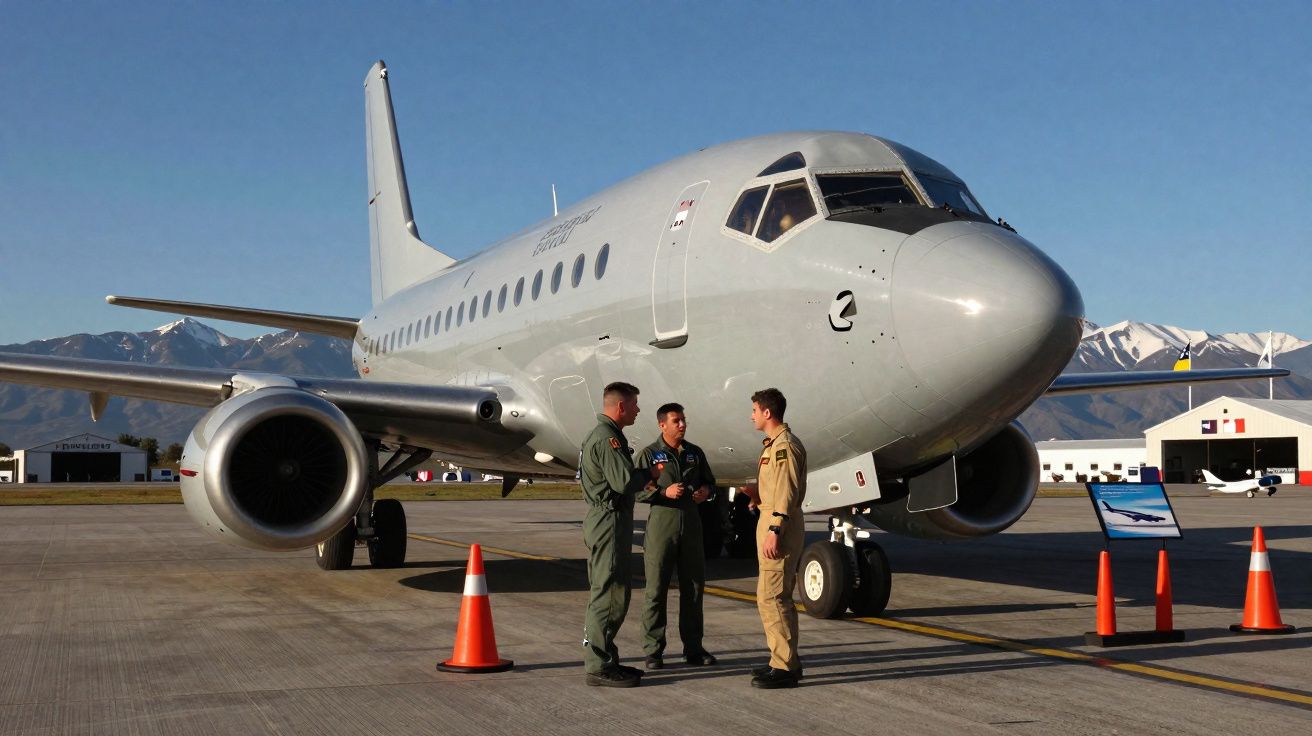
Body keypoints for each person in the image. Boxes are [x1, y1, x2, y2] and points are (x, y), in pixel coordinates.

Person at [579, 382, 667, 687]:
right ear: (620, 407)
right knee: (608, 591)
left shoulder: (609, 435)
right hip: (608, 520)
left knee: (615, 591)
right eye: (634, 404)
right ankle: (598, 665)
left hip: (610, 519)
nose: (638, 410)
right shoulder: (607, 439)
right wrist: (650, 475)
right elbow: (622, 481)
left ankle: (606, 659)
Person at [634, 403, 718, 670]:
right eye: (676, 421)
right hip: (662, 526)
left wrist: (706, 492)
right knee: (656, 589)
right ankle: (653, 650)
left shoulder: (694, 453)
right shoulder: (649, 455)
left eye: (683, 420)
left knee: (693, 589)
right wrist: (663, 493)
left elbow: (710, 481)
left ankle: (693, 648)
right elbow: (636, 490)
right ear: (662, 425)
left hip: (691, 526)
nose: (682, 424)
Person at [744, 387, 807, 689]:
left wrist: (775, 528)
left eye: (754, 410)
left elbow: (788, 491)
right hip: (770, 517)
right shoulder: (773, 445)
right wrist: (758, 498)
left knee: (774, 597)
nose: (751, 416)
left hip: (778, 526)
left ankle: (785, 667)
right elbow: (777, 489)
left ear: (767, 413)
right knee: (769, 597)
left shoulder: (785, 447)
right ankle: (781, 660)